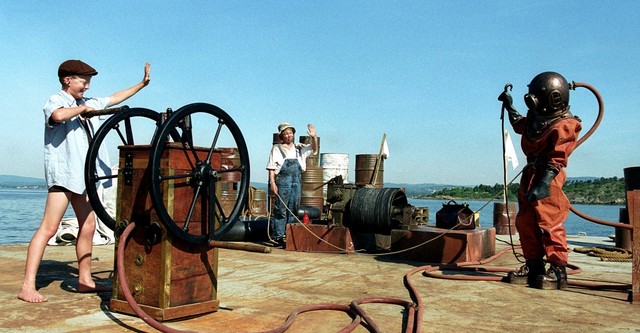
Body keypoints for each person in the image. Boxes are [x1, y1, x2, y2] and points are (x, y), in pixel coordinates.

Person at [18, 60, 151, 303]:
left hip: (84, 178)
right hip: (64, 176)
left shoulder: (86, 103)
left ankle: (85, 280)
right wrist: (82, 110)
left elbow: (113, 98)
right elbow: (57, 116)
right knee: (48, 228)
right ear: (68, 80)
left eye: (89, 82)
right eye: (83, 81)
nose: (87, 86)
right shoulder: (56, 100)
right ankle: (27, 286)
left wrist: (141, 85)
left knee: (88, 226)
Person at [499, 72, 582, 289]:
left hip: (549, 175)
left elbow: (557, 158)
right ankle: (534, 265)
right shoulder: (536, 120)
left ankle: (558, 269)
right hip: (531, 172)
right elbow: (520, 125)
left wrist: (543, 184)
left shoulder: (564, 124)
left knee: (550, 221)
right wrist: (509, 106)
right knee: (526, 221)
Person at [266, 122, 318, 246]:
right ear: (282, 136)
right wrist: (272, 183)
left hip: (297, 181)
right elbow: (271, 168)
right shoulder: (276, 149)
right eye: (286, 133)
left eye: (290, 133)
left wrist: (314, 137)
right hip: (283, 181)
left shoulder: (299, 148)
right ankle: (278, 237)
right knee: (280, 209)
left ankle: (289, 236)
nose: (289, 135)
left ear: (293, 134)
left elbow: (314, 149)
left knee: (294, 209)